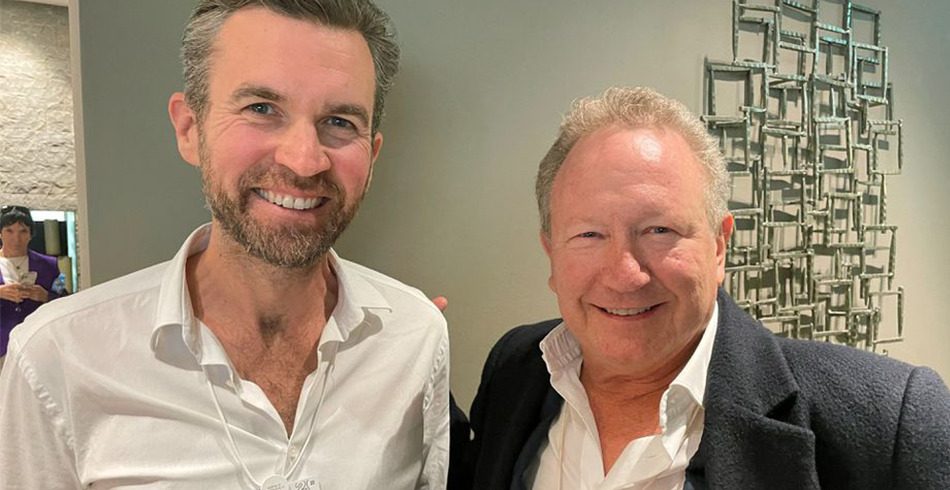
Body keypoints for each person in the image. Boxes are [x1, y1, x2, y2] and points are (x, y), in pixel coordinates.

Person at [0, 1, 449, 489]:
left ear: (372, 153)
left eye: (340, 121)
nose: (304, 161)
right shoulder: (58, 356)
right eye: (262, 109)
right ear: (189, 130)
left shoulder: (415, 335)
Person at [459, 87, 950, 489]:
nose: (625, 274)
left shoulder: (894, 419)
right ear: (551, 253)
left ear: (718, 246)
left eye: (660, 231)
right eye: (589, 235)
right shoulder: (516, 368)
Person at [0, 205, 63, 371]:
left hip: (37, 346)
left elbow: (64, 301)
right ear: (0, 233)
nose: (16, 238)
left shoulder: (49, 265)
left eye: (23, 231)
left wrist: (45, 296)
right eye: (9, 231)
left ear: (31, 235)